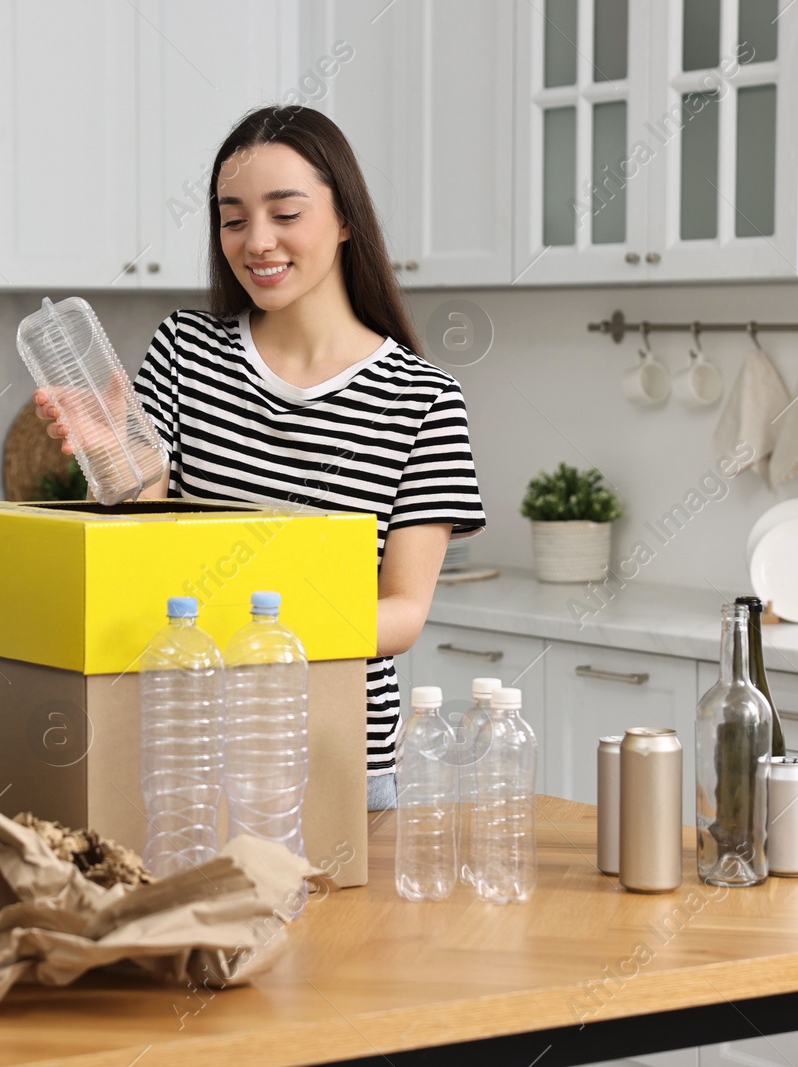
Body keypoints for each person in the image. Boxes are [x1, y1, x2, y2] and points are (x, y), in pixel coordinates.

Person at [35, 105, 485, 810]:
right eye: (234, 218)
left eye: (285, 213)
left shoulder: (424, 398)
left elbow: (400, 611)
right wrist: (118, 453)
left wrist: (260, 638)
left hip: (343, 763)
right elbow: (146, 532)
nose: (257, 241)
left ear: (344, 221)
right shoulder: (186, 351)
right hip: (192, 747)